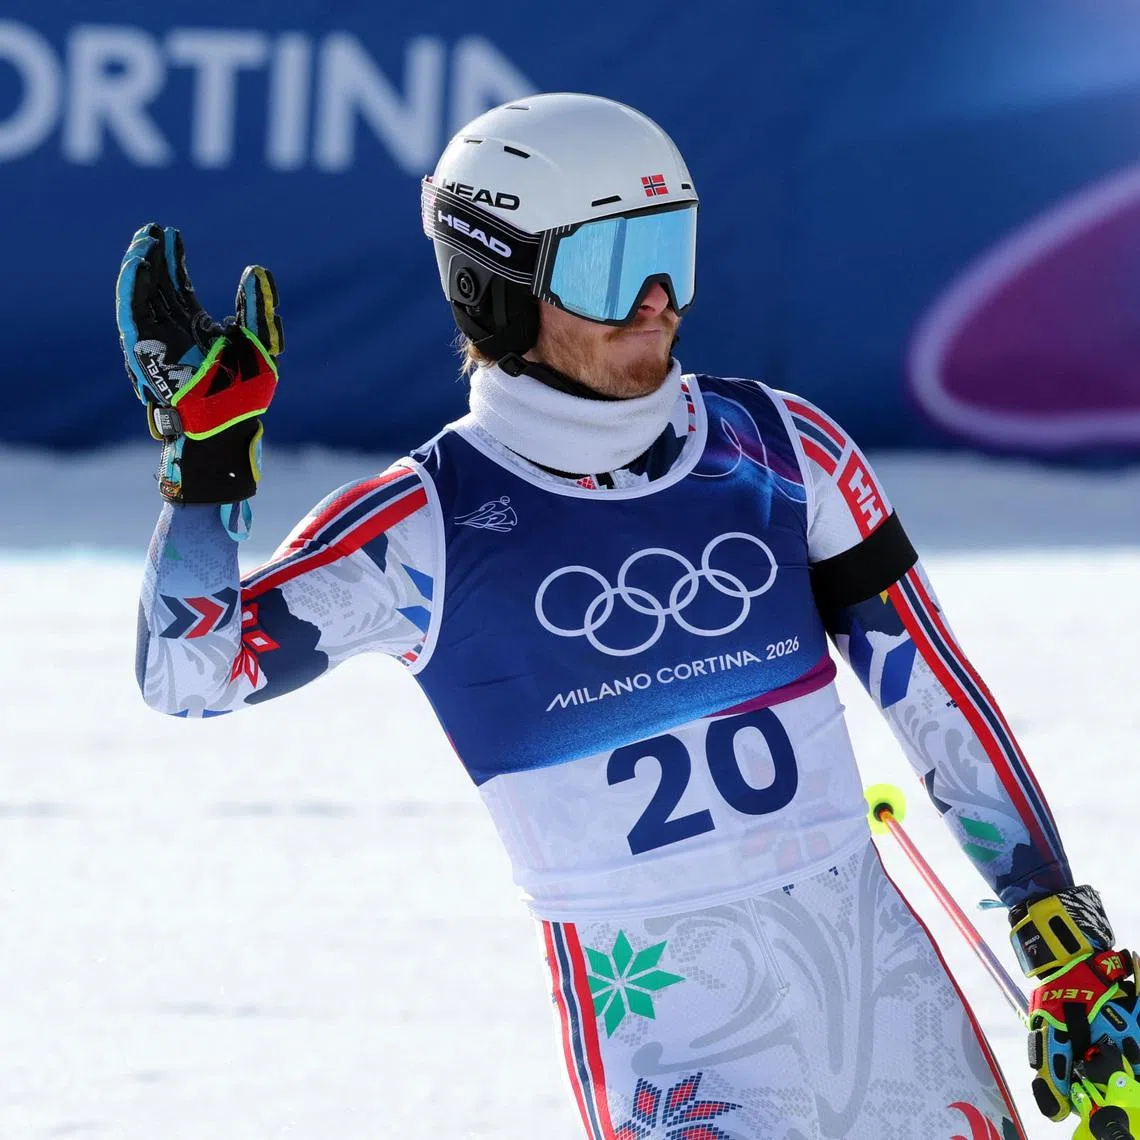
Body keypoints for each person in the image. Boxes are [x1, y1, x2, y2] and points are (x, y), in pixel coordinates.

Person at [119, 93, 1140, 1139]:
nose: (659, 300)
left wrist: (1056, 922)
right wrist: (204, 471)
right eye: (612, 265)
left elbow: (931, 688)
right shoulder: (425, 526)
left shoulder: (781, 450)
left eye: (671, 252)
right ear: (499, 289)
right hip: (681, 1058)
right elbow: (188, 673)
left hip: (898, 1024)